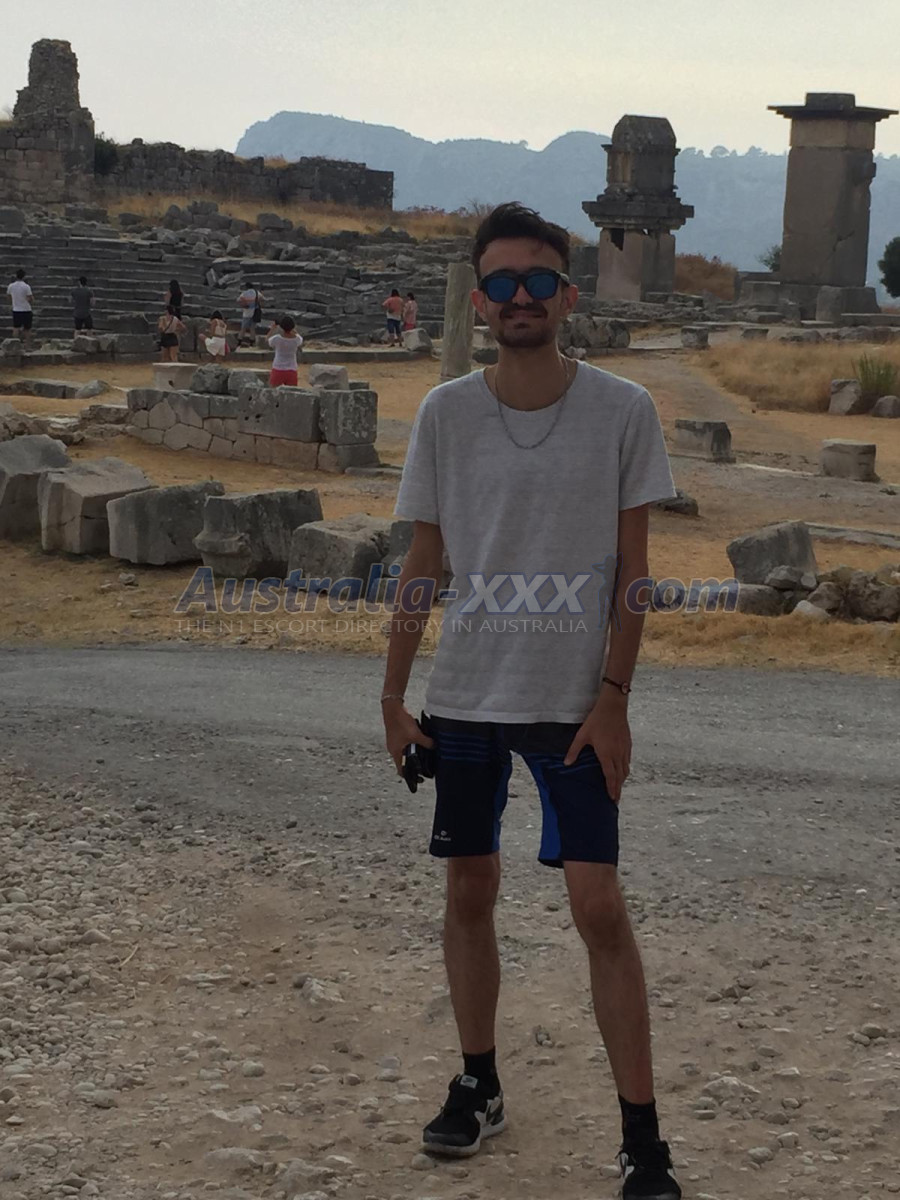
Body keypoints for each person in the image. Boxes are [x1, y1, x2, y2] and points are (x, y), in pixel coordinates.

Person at [381, 202, 682, 1200]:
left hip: (573, 701)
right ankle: (479, 1081)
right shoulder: (445, 414)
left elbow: (634, 572)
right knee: (469, 891)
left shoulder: (623, 410)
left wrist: (616, 699)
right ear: (480, 300)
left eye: (538, 281)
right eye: (503, 283)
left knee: (598, 905)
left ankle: (643, 1138)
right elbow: (424, 560)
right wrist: (392, 693)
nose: (521, 297)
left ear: (567, 294)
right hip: (467, 691)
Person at [267, 314, 303, 386]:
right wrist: (292, 329)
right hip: (292, 369)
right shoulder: (297, 339)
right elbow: (298, 336)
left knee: (274, 390)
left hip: (278, 368)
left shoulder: (277, 338)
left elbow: (268, 339)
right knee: (291, 391)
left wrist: (272, 328)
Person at [7, 268, 34, 348]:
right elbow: (30, 298)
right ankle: (27, 346)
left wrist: (14, 302)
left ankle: (14, 345)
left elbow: (8, 296)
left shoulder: (11, 286)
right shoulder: (26, 286)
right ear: (24, 276)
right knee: (27, 329)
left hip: (16, 309)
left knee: (16, 328)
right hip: (26, 309)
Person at [238, 280, 264, 346]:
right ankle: (252, 341)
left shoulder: (244, 293)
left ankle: (240, 340)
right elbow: (262, 298)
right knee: (252, 328)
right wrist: (255, 302)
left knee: (243, 328)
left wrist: (247, 302)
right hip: (255, 312)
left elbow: (239, 299)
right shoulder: (256, 292)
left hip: (246, 312)